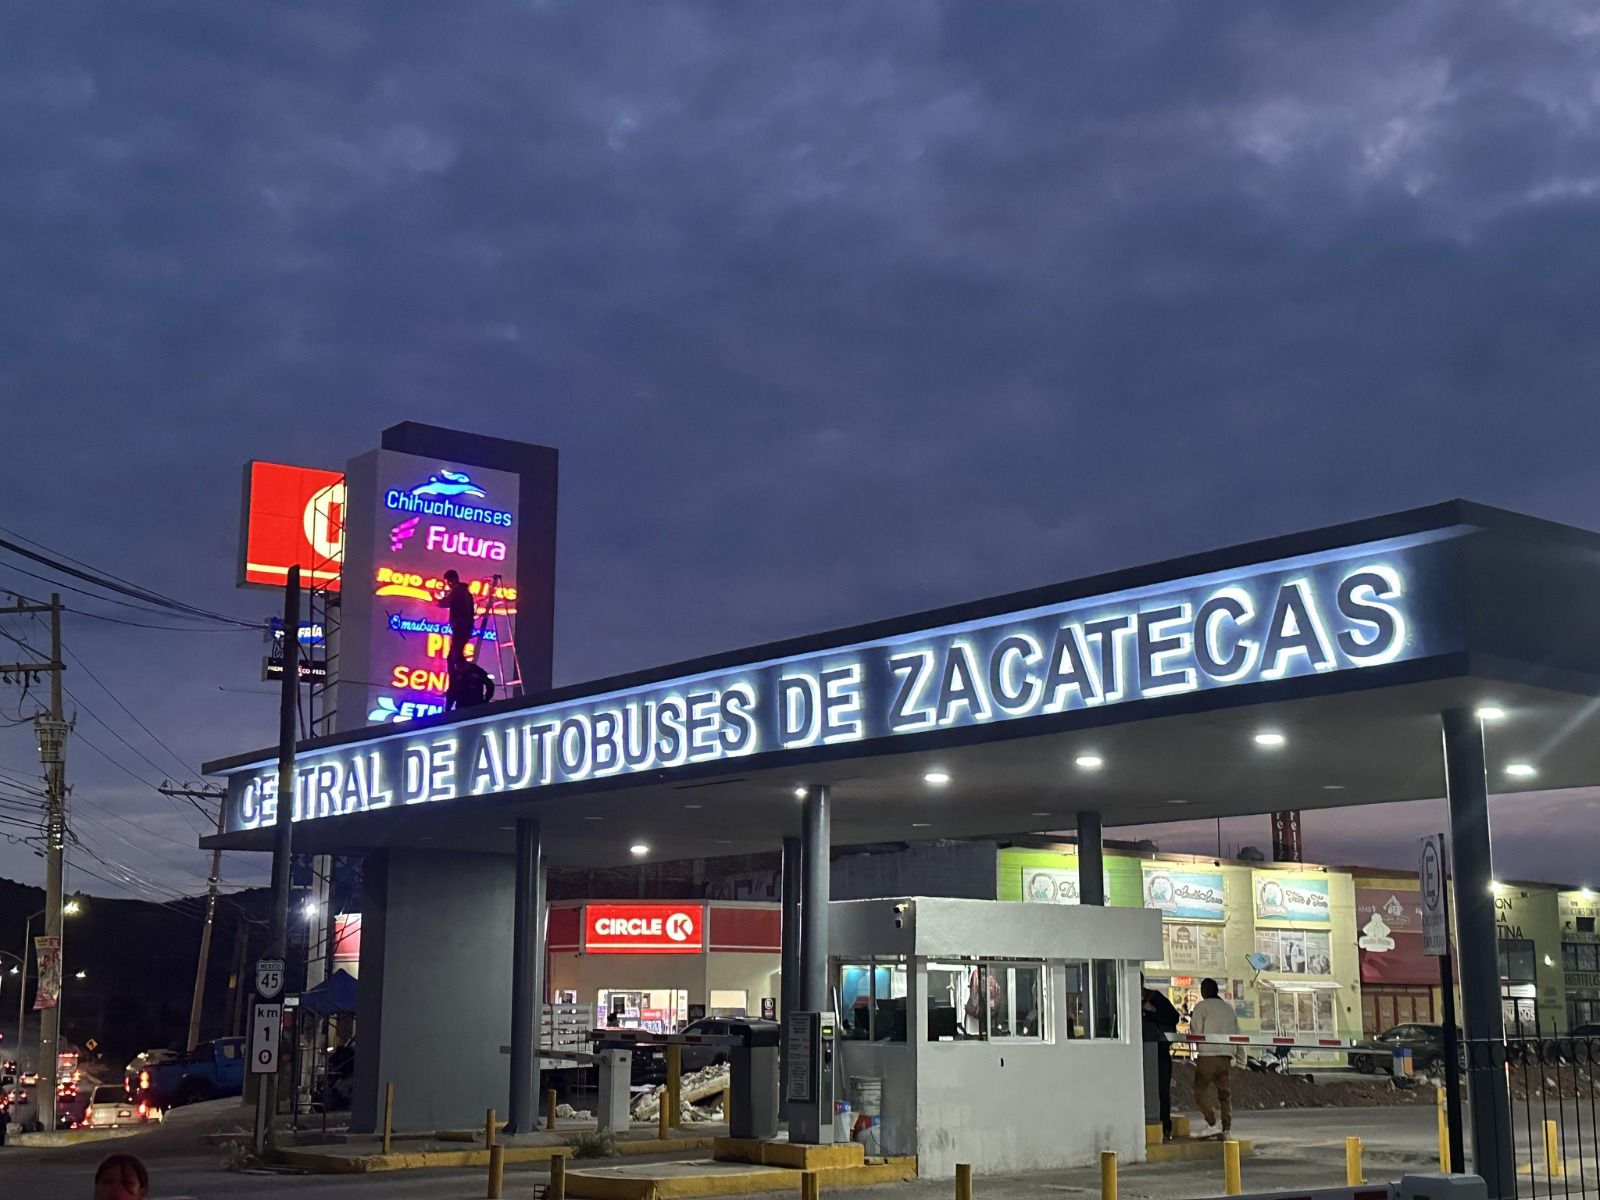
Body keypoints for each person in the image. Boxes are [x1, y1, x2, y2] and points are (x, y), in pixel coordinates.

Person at [1189, 977, 1240, 1136]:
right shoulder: (1228, 1008)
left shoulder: (1201, 1007)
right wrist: (1240, 1057)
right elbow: (1237, 1032)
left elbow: (1196, 1030)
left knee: (1200, 1090)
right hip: (1226, 1055)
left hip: (1208, 1055)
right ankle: (1226, 1128)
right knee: (1224, 1094)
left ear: (1204, 991)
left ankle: (1211, 1122)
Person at [1140, 974, 1181, 1140]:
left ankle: (1165, 1126)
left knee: (1162, 1089)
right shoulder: (1124, 1002)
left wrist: (1152, 1011)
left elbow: (1174, 1017)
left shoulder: (1154, 998)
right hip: (1137, 1055)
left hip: (1159, 1053)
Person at [436, 570, 477, 674]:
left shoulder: (457, 591)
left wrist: (436, 598)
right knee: (455, 656)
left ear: (451, 580)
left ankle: (461, 678)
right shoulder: (465, 592)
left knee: (455, 657)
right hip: (465, 627)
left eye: (447, 582)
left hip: (460, 627)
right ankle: (461, 677)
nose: (448, 585)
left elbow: (443, 603)